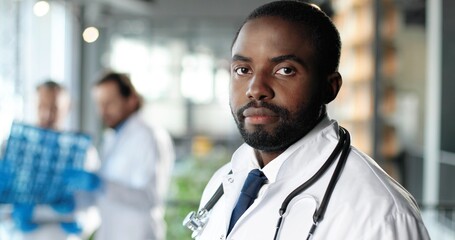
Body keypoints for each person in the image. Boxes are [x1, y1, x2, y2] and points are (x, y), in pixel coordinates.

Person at [186, 1, 430, 239]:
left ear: (330, 88)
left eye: (285, 70)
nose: (255, 89)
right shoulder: (223, 181)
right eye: (242, 70)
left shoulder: (381, 216)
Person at [0, 80, 100, 240]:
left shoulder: (85, 153)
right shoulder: (11, 149)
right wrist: (12, 215)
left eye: (54, 108)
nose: (47, 115)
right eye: (41, 107)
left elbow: (97, 206)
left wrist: (83, 222)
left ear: (68, 109)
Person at [92, 72, 175, 240]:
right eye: (99, 104)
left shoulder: (149, 136)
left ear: (131, 100)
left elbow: (150, 197)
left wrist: (102, 185)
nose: (103, 110)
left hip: (138, 234)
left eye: (109, 103)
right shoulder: (112, 136)